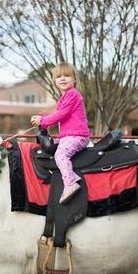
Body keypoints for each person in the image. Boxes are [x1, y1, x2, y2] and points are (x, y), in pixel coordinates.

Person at [31, 63, 90, 204]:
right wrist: (43, 119)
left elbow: (62, 115)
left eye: (67, 75)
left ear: (74, 79)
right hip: (68, 136)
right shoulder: (63, 98)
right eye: (59, 76)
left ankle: (70, 183)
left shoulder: (73, 94)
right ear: (55, 81)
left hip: (77, 136)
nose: (62, 79)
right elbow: (58, 115)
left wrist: (43, 121)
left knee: (60, 154)